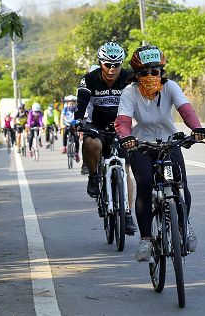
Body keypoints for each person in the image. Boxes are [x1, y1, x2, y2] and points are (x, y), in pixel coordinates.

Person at [115, 45, 205, 261]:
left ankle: (184, 225)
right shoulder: (129, 92)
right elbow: (123, 120)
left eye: (154, 72)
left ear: (161, 72)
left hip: (169, 142)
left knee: (181, 183)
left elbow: (185, 109)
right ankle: (146, 239)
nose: (150, 77)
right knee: (145, 184)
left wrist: (196, 129)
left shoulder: (171, 87)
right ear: (136, 76)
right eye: (144, 73)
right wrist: (126, 138)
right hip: (140, 145)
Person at [72, 41, 137, 236]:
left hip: (121, 127)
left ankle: (127, 214)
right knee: (91, 143)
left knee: (125, 170)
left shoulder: (128, 78)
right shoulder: (90, 79)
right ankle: (93, 177)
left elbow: (141, 101)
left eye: (116, 64)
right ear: (100, 63)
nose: (112, 69)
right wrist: (77, 121)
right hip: (97, 126)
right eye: (107, 64)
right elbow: (81, 103)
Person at [60, 95, 80, 162]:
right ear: (67, 103)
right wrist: (62, 124)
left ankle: (76, 153)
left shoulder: (76, 109)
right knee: (65, 133)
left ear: (75, 103)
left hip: (74, 125)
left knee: (76, 138)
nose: (71, 104)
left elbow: (79, 117)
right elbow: (62, 117)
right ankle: (64, 147)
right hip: (67, 124)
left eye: (73, 103)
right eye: (70, 103)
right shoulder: (65, 109)